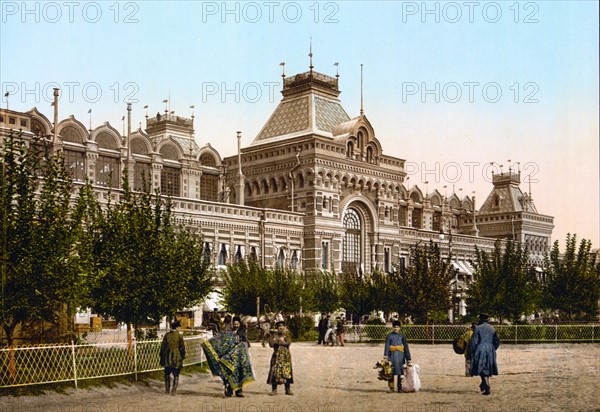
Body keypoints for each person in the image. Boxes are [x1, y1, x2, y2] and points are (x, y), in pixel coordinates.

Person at [202, 324, 255, 397]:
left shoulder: (242, 334)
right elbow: (221, 341)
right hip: (229, 358)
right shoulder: (228, 333)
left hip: (239, 359)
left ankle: (239, 391)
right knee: (229, 374)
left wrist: (240, 345)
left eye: (237, 324)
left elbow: (247, 345)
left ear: (239, 324)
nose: (236, 325)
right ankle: (229, 390)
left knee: (239, 374)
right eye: (235, 324)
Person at [468, 313, 500, 395]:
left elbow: (473, 342)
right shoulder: (492, 329)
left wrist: (470, 352)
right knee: (487, 367)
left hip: (480, 348)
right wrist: (493, 348)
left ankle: (487, 386)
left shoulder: (478, 329)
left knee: (481, 367)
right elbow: (497, 341)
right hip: (490, 349)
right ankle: (484, 384)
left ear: (481, 320)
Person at [383, 320, 412, 393]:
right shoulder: (389, 336)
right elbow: (386, 347)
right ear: (392, 327)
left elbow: (406, 347)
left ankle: (400, 388)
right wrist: (386, 356)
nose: (396, 328)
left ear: (400, 328)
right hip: (392, 356)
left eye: (397, 327)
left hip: (400, 356)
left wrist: (408, 359)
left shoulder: (402, 336)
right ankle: (391, 388)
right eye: (394, 327)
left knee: (400, 372)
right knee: (390, 372)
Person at [267, 320, 294, 396]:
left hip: (285, 357)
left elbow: (288, 343)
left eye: (282, 326)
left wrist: (279, 342)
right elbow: (271, 344)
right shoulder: (274, 335)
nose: (281, 328)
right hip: (276, 356)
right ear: (277, 328)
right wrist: (278, 341)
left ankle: (287, 389)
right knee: (274, 371)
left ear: (284, 327)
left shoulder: (287, 335)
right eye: (279, 326)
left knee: (287, 371)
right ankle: (274, 389)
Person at [159, 320, 186, 396]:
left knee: (167, 373)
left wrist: (162, 356)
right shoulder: (179, 336)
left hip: (167, 357)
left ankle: (167, 390)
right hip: (176, 356)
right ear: (177, 327)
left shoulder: (167, 335)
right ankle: (174, 391)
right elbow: (182, 347)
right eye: (179, 327)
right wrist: (183, 356)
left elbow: (163, 347)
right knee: (176, 374)